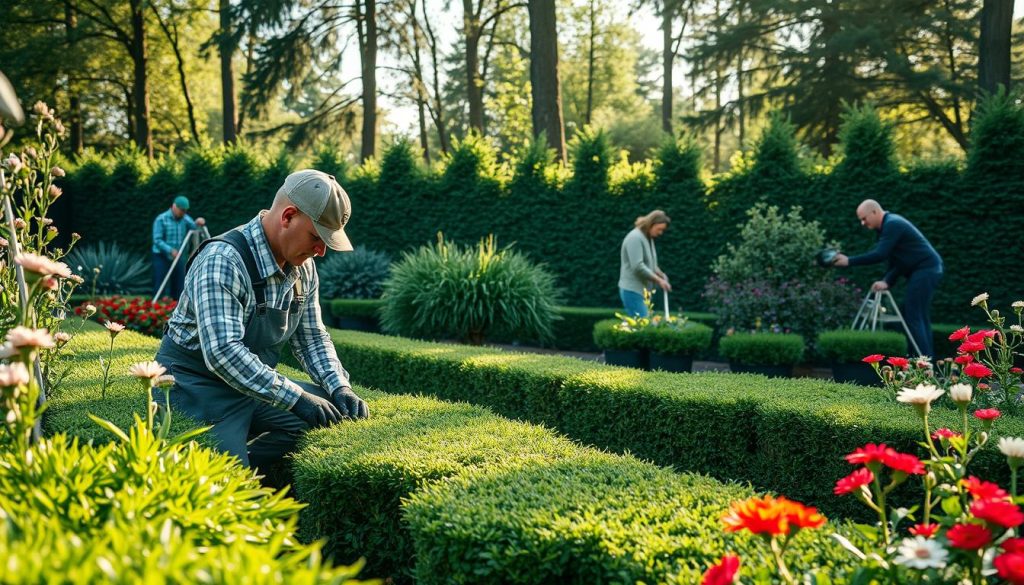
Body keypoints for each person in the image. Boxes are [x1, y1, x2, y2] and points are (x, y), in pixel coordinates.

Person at [155, 169, 369, 471]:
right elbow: (223, 352)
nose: (320, 252)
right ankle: (243, 473)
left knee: (332, 415)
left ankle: (262, 473)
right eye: (316, 237)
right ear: (288, 216)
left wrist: (339, 387)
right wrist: (296, 398)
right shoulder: (223, 260)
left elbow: (312, 338)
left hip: (252, 387)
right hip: (197, 386)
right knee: (228, 480)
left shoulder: (303, 268)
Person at [833, 199, 943, 358]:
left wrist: (849, 261)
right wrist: (887, 281)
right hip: (927, 269)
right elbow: (898, 261)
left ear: (875, 212)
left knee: (913, 317)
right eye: (860, 220)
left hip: (926, 270)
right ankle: (924, 361)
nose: (863, 223)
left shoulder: (892, 224)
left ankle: (924, 365)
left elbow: (880, 255)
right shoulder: (887, 226)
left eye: (864, 218)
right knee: (916, 316)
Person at [618, 210, 671, 317]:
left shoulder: (647, 238)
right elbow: (638, 267)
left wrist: (661, 274)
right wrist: (659, 280)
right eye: (659, 229)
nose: (660, 233)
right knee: (643, 327)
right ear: (652, 224)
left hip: (643, 292)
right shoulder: (635, 238)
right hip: (632, 291)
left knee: (642, 327)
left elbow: (650, 263)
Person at [152, 195, 206, 300]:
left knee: (179, 282)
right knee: (160, 281)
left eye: (185, 211)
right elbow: (157, 240)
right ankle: (156, 306)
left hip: (179, 255)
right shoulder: (161, 219)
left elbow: (195, 227)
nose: (183, 213)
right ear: (174, 206)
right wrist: (170, 250)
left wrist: (199, 221)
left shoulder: (185, 218)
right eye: (181, 210)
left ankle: (176, 306)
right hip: (161, 254)